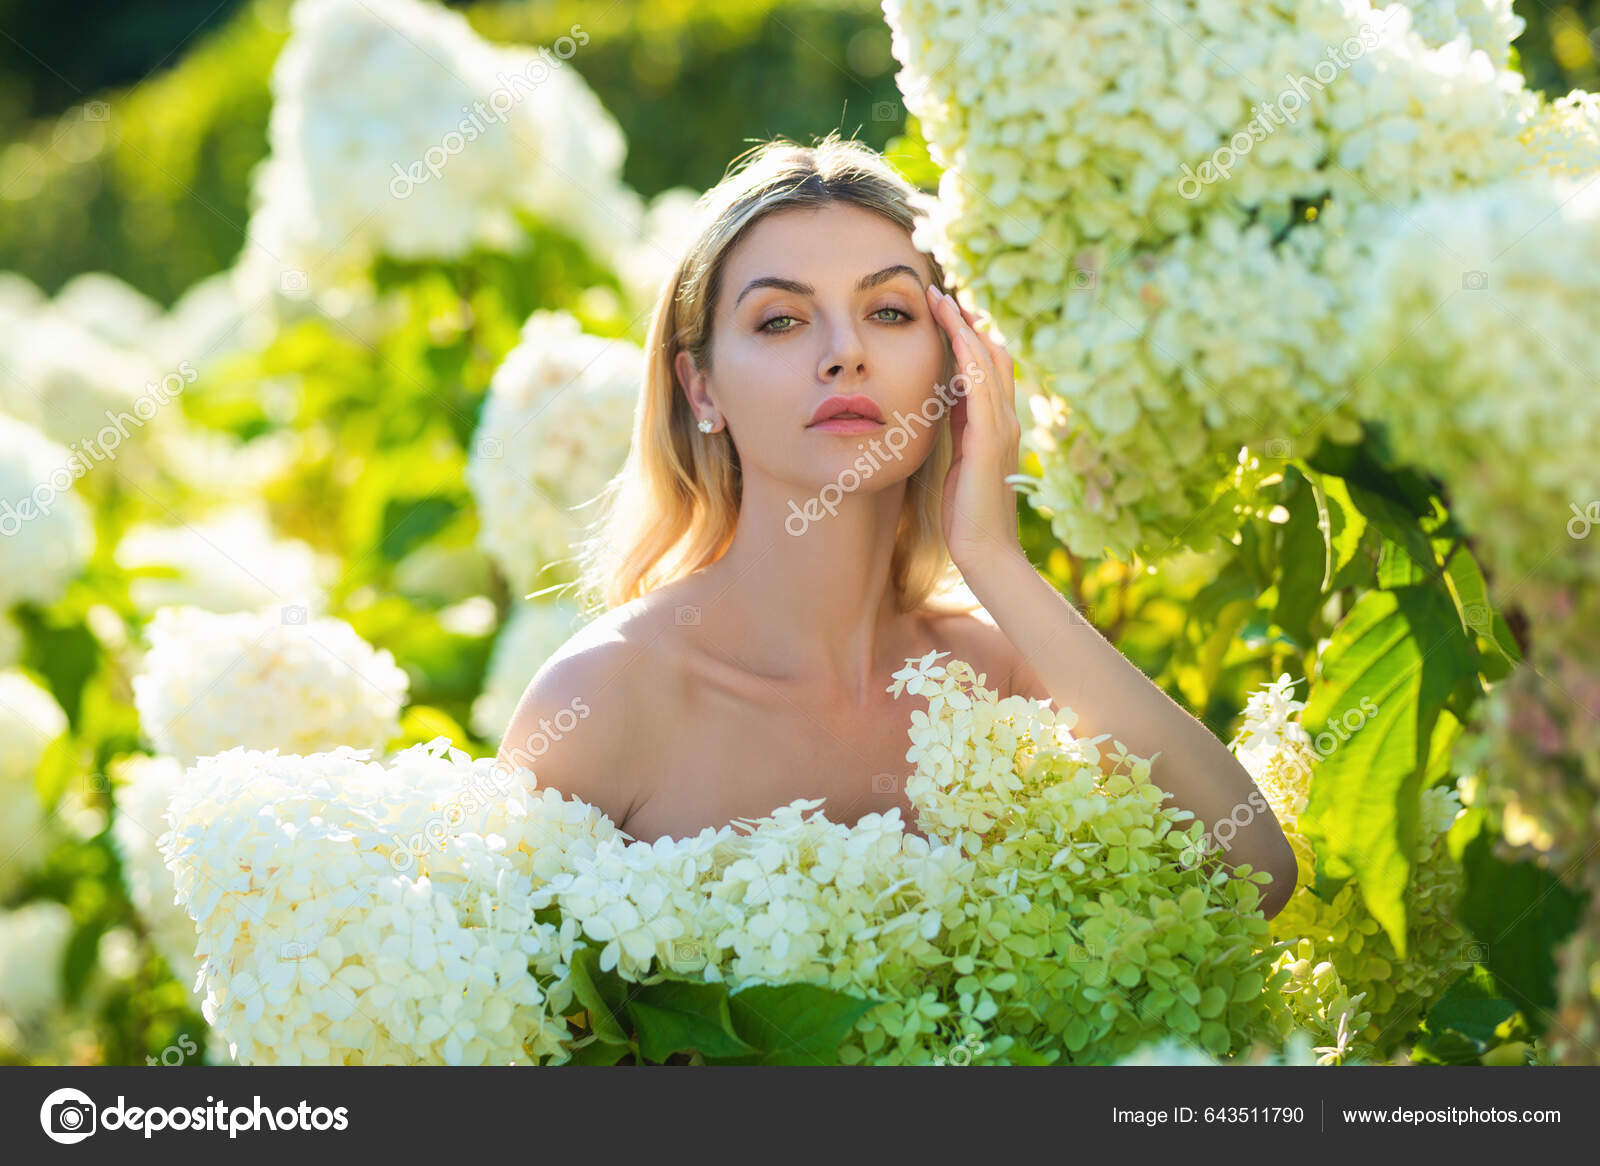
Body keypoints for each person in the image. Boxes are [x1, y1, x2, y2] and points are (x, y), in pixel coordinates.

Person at [495, 131, 1298, 918]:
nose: (844, 353)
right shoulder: (603, 700)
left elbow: (1253, 875)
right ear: (700, 389)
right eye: (780, 320)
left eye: (888, 311)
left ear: (956, 363)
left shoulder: (1000, 675)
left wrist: (994, 557)